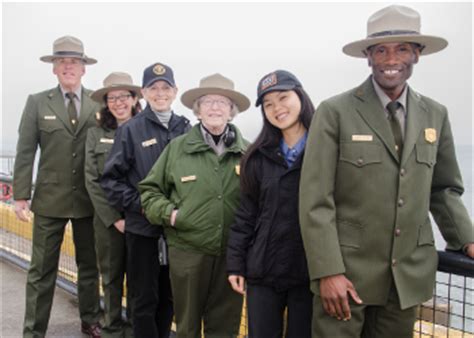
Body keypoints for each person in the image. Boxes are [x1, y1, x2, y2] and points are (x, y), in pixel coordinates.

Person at [299, 5, 474, 338]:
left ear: (417, 55)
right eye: (381, 50)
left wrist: (466, 238)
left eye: (402, 49)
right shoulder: (335, 111)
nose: (391, 59)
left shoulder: (435, 115)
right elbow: (315, 200)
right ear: (368, 56)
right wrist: (327, 271)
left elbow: (444, 190)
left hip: (406, 279)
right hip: (346, 278)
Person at [139, 73, 249, 338]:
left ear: (231, 112)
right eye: (208, 102)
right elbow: (149, 192)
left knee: (225, 327)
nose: (214, 108)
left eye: (222, 102)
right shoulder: (177, 149)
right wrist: (173, 216)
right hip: (187, 253)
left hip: (231, 256)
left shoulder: (248, 153)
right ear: (197, 110)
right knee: (187, 326)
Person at [12, 35, 102, 338]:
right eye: (62, 61)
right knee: (41, 271)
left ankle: (91, 321)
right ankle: (33, 330)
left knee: (89, 266)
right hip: (49, 198)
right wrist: (21, 196)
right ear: (54, 68)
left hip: (90, 200)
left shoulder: (98, 103)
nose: (68, 66)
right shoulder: (37, 102)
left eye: (74, 61)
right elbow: (26, 151)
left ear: (83, 68)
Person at [100, 62, 190, 338]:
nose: (160, 93)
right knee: (142, 301)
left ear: (175, 91)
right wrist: (142, 205)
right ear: (144, 92)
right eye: (154, 88)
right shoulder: (131, 130)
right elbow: (110, 180)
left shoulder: (186, 129)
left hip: (175, 231)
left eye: (166, 88)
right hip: (143, 231)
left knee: (169, 299)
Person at [227, 70, 315, 338]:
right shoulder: (257, 156)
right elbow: (246, 215)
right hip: (263, 270)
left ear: (299, 96)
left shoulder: (324, 149)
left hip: (309, 272)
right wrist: (235, 264)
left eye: (283, 97)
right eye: (268, 104)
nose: (277, 108)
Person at [85, 72, 142, 337]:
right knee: (110, 278)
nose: (118, 102)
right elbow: (92, 181)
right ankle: (111, 328)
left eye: (123, 96)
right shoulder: (96, 135)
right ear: (106, 103)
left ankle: (132, 330)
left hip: (141, 218)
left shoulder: (145, 130)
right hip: (108, 221)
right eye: (112, 98)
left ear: (134, 99)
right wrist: (114, 218)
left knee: (139, 278)